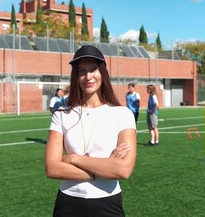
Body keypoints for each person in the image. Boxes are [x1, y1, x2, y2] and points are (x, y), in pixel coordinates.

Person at [45, 45, 137, 217]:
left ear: (102, 72)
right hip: (68, 202)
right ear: (75, 76)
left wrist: (74, 159)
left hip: (108, 202)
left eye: (93, 69)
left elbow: (123, 170)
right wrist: (106, 166)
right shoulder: (61, 114)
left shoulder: (122, 114)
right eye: (81, 71)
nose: (88, 76)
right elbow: (52, 168)